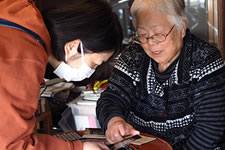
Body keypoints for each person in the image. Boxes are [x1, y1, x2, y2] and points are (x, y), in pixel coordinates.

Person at [96, 0, 225, 149]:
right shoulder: (133, 56)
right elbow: (112, 97)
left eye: (158, 34)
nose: (151, 43)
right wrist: (114, 121)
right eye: (143, 35)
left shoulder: (205, 60)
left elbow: (210, 129)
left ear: (181, 27)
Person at [0, 0, 123, 150]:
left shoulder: (17, 13)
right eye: (95, 64)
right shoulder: (24, 56)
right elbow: (12, 145)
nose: (92, 70)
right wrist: (78, 148)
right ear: (72, 47)